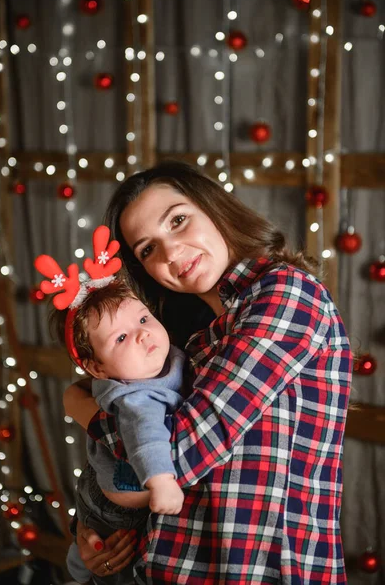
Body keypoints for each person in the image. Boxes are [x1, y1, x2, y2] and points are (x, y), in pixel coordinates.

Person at [64, 161, 352, 584]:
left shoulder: (287, 294)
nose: (172, 253)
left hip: (259, 570)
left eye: (178, 220)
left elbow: (179, 455)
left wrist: (78, 407)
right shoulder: (187, 339)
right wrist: (99, 535)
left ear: (214, 208)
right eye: (148, 249)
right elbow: (147, 472)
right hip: (161, 564)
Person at [35, 228, 187, 585]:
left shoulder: (164, 359)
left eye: (143, 319)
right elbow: (146, 436)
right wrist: (162, 482)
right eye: (120, 338)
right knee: (109, 560)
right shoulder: (136, 397)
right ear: (98, 369)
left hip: (101, 483)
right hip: (117, 508)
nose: (142, 333)